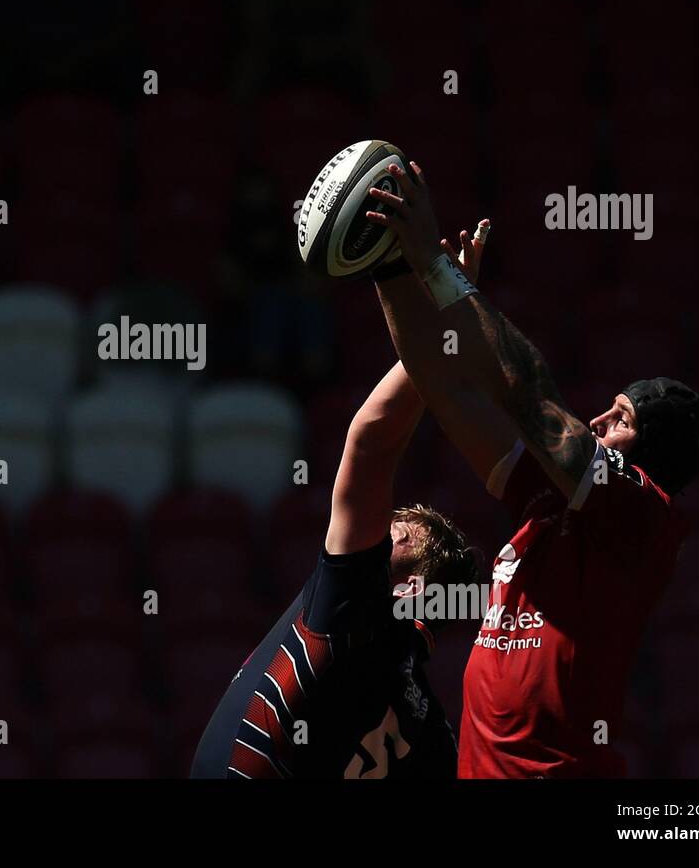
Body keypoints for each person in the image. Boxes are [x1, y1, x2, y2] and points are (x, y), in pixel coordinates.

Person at [364, 161, 699, 777]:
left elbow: (531, 400)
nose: (600, 420)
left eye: (623, 417)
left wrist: (437, 268)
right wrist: (390, 265)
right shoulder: (547, 508)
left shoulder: (641, 522)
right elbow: (448, 392)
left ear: (652, 459)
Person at [190, 249, 485, 780]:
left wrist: (444, 311)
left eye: (394, 537)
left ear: (409, 588)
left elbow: (371, 440)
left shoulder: (355, 609)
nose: (374, 537)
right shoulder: (433, 736)